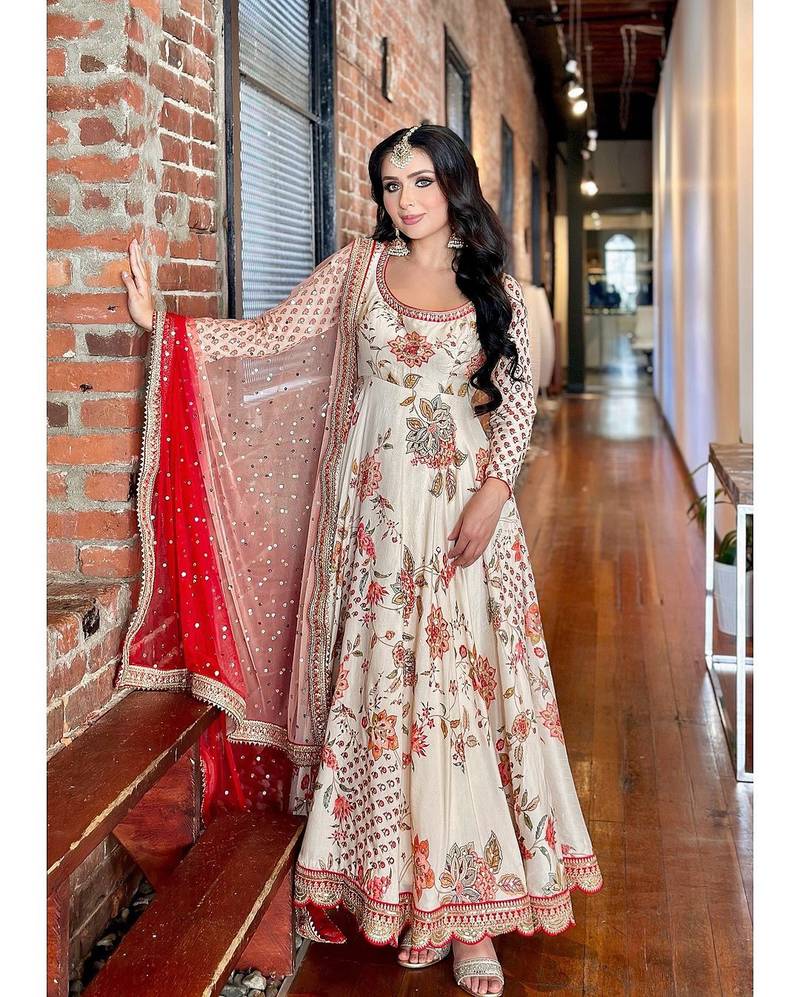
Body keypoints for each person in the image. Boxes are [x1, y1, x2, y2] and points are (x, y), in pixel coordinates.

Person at [120, 122, 602, 997]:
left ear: (455, 185)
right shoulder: (359, 271)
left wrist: (494, 496)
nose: (405, 200)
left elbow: (515, 404)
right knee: (389, 701)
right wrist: (170, 331)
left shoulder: (495, 288)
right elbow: (271, 338)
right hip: (375, 520)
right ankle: (403, 889)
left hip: (461, 518)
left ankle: (470, 919)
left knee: (459, 703)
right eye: (391, 185)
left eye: (421, 181)